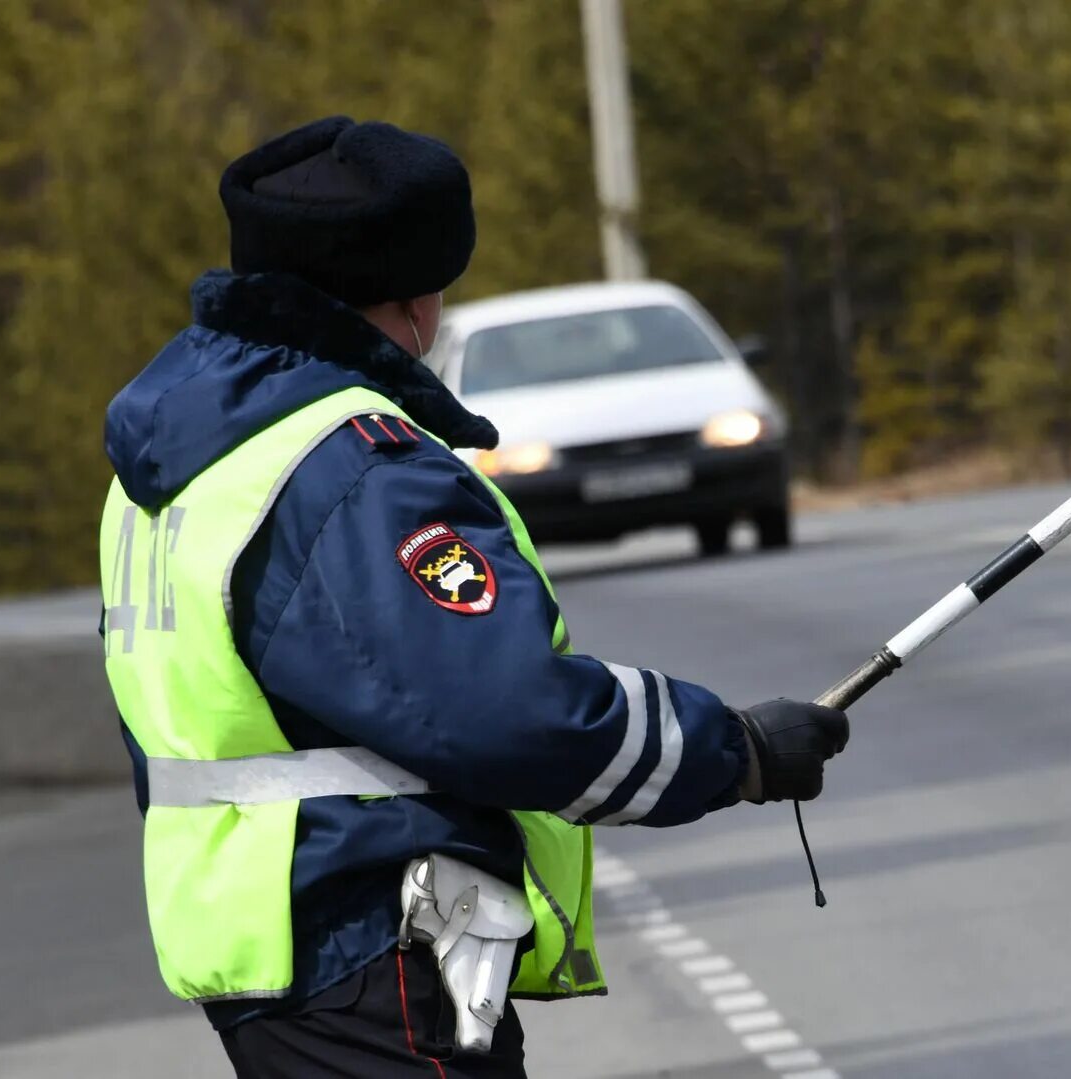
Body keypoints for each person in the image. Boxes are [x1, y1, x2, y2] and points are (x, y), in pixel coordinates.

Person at [97, 116, 850, 1079]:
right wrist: (735, 749)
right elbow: (510, 713)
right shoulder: (355, 467)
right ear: (414, 297)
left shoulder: (175, 457)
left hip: (253, 942)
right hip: (370, 940)